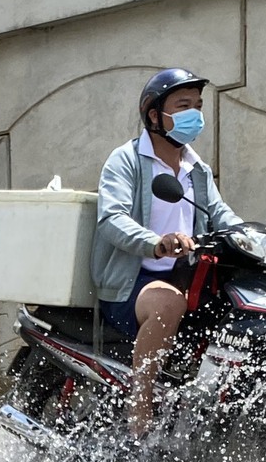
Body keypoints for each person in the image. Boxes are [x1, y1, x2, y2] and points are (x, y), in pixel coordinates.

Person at [89, 69, 243, 437]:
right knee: (169, 304)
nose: (195, 115)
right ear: (154, 114)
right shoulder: (125, 160)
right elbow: (112, 218)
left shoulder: (196, 168)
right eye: (184, 105)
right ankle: (140, 411)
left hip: (184, 275)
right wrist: (155, 242)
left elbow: (220, 215)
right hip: (133, 282)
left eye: (199, 106)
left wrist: (258, 236)